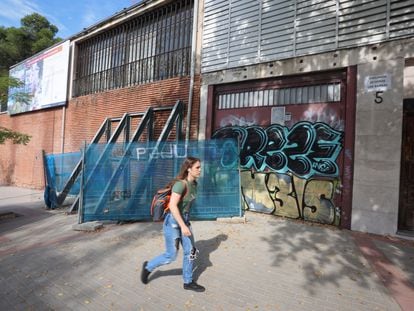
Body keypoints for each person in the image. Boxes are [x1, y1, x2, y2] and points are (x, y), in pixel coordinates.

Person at [141, 156, 205, 292]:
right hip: (173, 222)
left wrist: (186, 222)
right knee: (171, 255)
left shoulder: (194, 184)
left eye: (200, 167)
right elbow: (173, 206)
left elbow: (186, 205)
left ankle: (188, 282)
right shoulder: (180, 184)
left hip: (184, 220)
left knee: (190, 252)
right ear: (189, 169)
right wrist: (183, 226)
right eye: (197, 167)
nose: (200, 170)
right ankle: (148, 267)